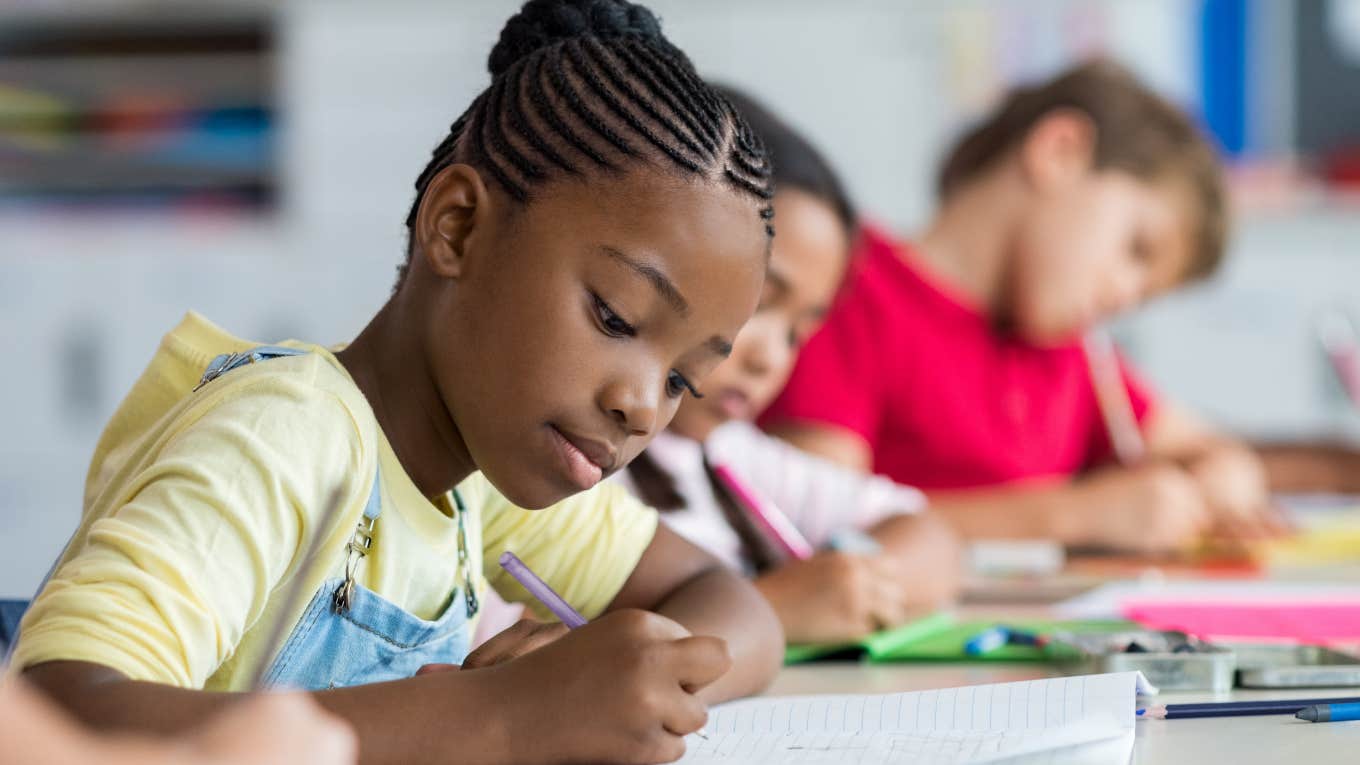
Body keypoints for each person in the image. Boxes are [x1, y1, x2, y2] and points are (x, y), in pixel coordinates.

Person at [11, 2, 785, 763]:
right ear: (457, 227)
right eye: (615, 317)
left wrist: (633, 681)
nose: (643, 405)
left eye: (683, 376)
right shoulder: (285, 441)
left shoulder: (476, 482)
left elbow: (731, 601)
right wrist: (503, 714)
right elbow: (62, 710)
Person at [761, 60, 1281, 555]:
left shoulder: (1066, 351)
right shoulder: (849, 288)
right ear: (1061, 152)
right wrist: (1076, 516)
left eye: (1144, 294)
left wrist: (1225, 472)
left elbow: (1202, 443)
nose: (1125, 296)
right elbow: (817, 523)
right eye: (1136, 249)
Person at [619, 86, 960, 645]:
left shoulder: (727, 457)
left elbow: (933, 538)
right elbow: (563, 655)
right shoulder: (580, 466)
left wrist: (849, 580)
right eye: (757, 304)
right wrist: (773, 610)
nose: (769, 356)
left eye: (799, 331)